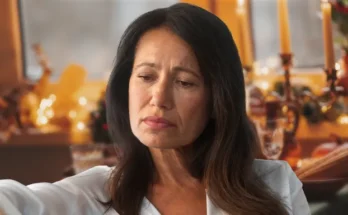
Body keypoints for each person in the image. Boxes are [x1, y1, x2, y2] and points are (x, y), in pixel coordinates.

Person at [0, 3, 310, 215]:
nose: (159, 98)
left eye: (185, 82)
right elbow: (15, 201)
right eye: (146, 77)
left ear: (218, 99)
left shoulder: (275, 184)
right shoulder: (96, 194)